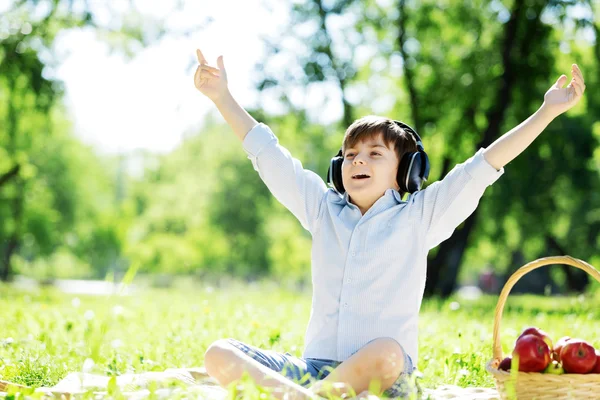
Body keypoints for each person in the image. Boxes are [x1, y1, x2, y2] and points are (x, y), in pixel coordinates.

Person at [194, 48, 585, 400]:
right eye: (349, 155)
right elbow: (269, 155)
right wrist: (222, 97)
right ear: (337, 168)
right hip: (314, 372)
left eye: (374, 153)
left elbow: (484, 165)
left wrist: (547, 111)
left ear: (407, 172)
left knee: (387, 352)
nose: (357, 161)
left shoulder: (421, 215)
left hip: (388, 378)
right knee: (219, 354)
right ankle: (310, 398)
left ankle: (301, 398)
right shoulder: (320, 208)